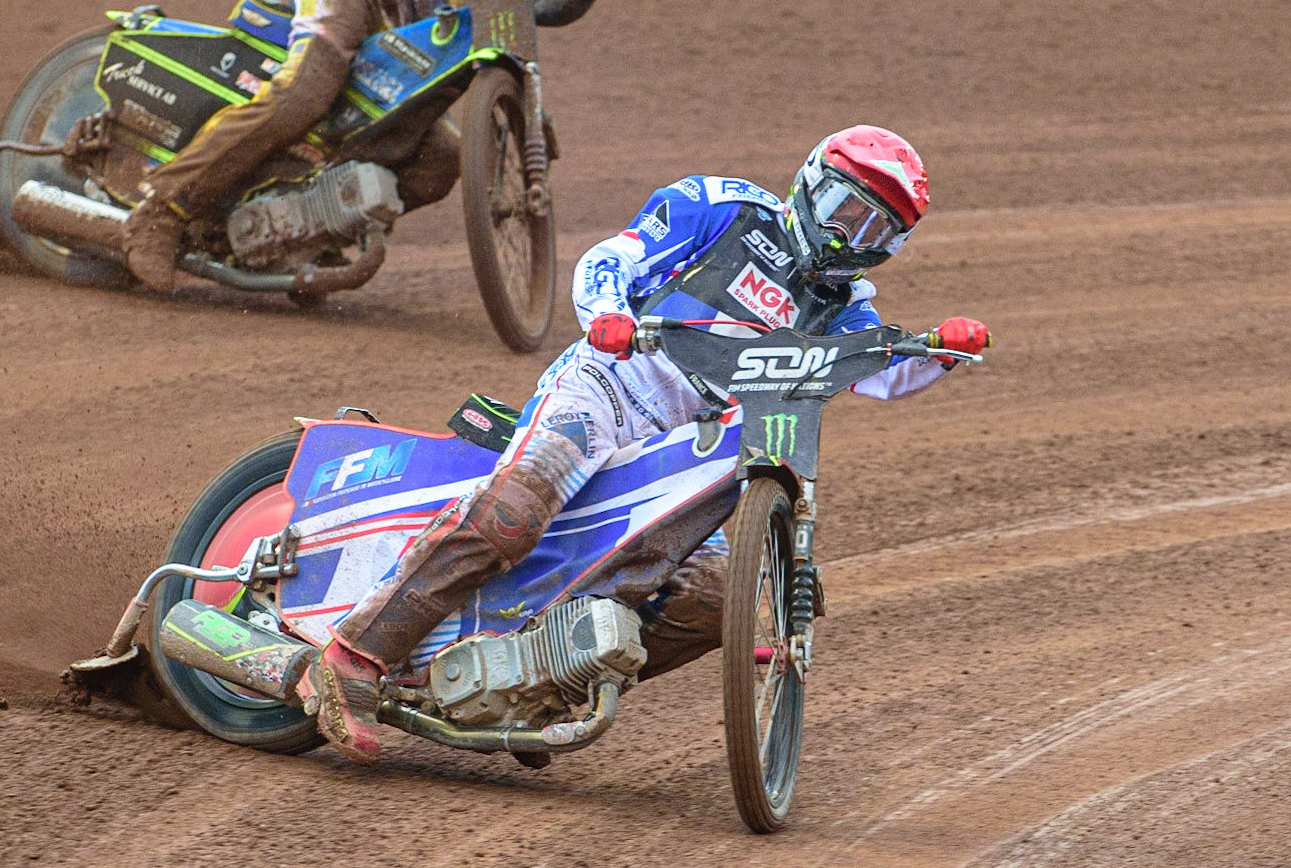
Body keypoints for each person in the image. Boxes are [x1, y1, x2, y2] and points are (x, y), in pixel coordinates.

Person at [301, 124, 994, 762]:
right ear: (813, 182)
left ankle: (545, 687)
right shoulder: (724, 209)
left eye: (877, 226)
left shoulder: (845, 309)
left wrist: (940, 349)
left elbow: (882, 372)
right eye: (848, 207)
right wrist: (608, 316)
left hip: (691, 453)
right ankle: (353, 658)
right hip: (608, 390)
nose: (853, 232)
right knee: (519, 506)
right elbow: (613, 257)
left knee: (724, 592)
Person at [120, 0, 652, 291]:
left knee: (442, 161)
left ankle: (313, 232)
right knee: (306, 92)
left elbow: (549, 8)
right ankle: (162, 210)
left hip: (409, 43)